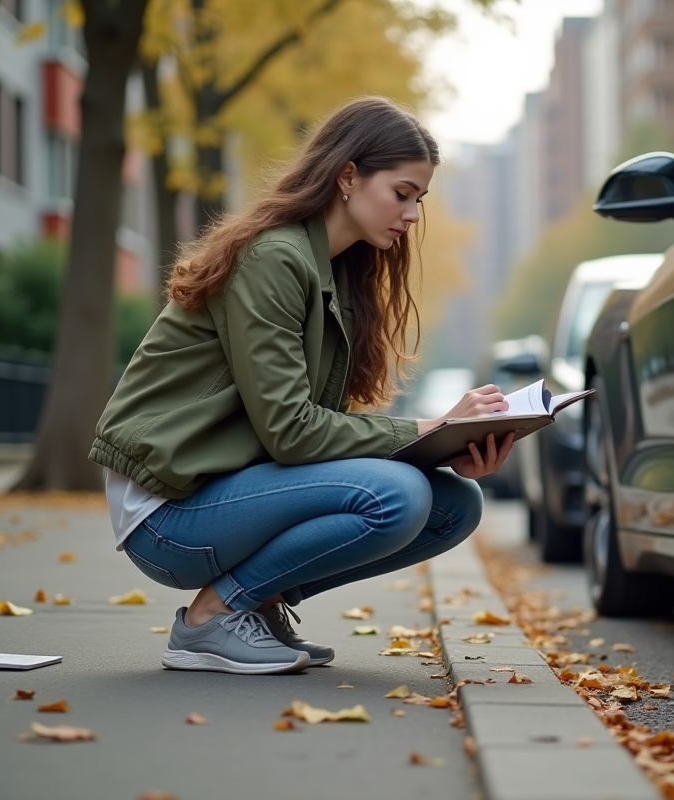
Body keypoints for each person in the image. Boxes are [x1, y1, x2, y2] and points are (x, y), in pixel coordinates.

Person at [89, 97, 514, 675]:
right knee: (397, 496)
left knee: (454, 505)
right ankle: (209, 620)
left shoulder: (337, 270)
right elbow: (292, 433)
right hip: (169, 515)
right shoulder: (274, 258)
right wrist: (430, 426)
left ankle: (256, 607)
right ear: (348, 176)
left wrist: (448, 448)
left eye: (420, 199)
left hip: (231, 490)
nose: (413, 213)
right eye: (402, 192)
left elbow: (308, 437)